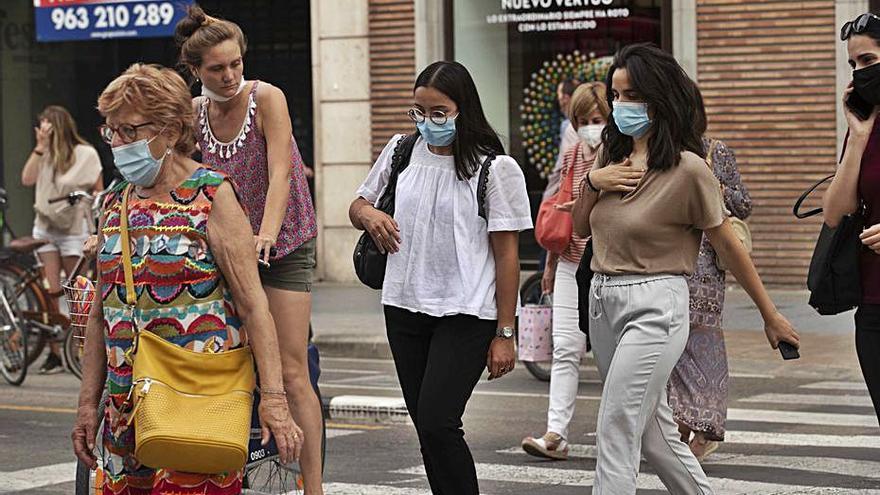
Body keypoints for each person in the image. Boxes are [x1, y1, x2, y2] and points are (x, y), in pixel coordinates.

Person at [571, 43, 800, 494]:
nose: (621, 107)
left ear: (659, 98)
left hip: (656, 303)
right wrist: (592, 182)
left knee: (617, 422)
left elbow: (728, 246)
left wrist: (770, 314)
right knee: (656, 436)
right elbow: (581, 227)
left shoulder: (690, 169)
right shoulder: (608, 158)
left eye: (631, 95)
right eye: (615, 96)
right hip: (602, 299)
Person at [70, 63, 303, 494]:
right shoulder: (114, 203)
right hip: (125, 412)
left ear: (171, 130)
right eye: (111, 132)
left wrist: (273, 400)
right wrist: (88, 406)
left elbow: (254, 305)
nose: (118, 144)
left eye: (130, 132)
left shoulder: (212, 195)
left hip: (197, 403)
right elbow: (102, 311)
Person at [349, 61, 531, 495]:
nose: (427, 122)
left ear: (462, 110)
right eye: (419, 111)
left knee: (437, 419)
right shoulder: (400, 151)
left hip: (467, 312)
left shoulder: (495, 169)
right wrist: (370, 215)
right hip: (404, 306)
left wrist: (506, 332)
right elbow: (357, 205)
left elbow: (508, 257)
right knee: (427, 428)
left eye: (438, 112)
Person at [174, 7, 323, 491]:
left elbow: (281, 170)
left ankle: (314, 486)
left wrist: (268, 233)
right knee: (224, 355)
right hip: (231, 245)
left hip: (285, 241)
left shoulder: (267, 98)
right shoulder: (195, 113)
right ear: (195, 71)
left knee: (292, 367)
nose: (230, 75)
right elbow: (177, 174)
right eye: (217, 69)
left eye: (236, 64)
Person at [521, 82, 610, 460]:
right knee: (565, 348)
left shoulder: (618, 156)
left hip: (608, 265)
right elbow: (562, 211)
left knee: (613, 354)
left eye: (597, 119)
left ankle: (629, 432)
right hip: (572, 262)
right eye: (581, 120)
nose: (590, 127)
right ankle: (555, 433)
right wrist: (551, 262)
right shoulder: (573, 154)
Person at [667, 90, 753, 459]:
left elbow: (744, 204)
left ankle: (703, 426)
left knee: (701, 347)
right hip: (670, 264)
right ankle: (679, 426)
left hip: (706, 269)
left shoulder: (716, 151)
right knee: (671, 350)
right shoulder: (663, 154)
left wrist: (720, 190)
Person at [824, 12, 880, 424]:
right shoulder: (865, 127)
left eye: (869, 61)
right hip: (874, 303)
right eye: (853, 64)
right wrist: (858, 139)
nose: (859, 73)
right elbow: (834, 214)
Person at [21, 105, 102, 374]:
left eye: (46, 126)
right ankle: (55, 352)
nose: (42, 131)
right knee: (51, 292)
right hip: (45, 228)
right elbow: (27, 179)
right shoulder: (43, 154)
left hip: (73, 228)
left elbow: (97, 191)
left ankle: (82, 347)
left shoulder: (85, 154)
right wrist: (40, 147)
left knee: (77, 289)